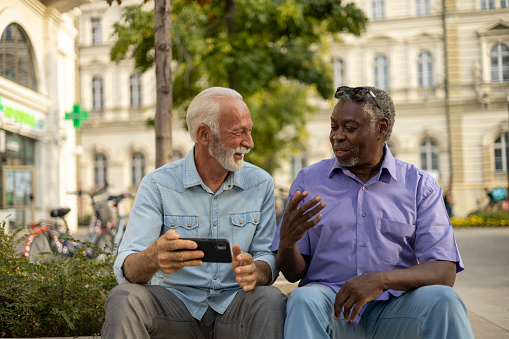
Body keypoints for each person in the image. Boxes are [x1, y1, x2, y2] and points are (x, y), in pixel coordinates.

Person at [272, 86, 474, 339]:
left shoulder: (419, 186)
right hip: (331, 308)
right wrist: (287, 243)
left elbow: (444, 271)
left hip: (396, 310)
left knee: (445, 299)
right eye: (334, 127)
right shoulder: (308, 181)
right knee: (303, 299)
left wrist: (381, 280)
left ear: (381, 128)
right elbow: (293, 273)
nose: (338, 136)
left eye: (350, 127)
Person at [102, 87, 286, 339]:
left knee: (270, 298)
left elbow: (267, 255)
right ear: (204, 134)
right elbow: (127, 268)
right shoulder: (157, 184)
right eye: (238, 132)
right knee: (124, 298)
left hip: (234, 305)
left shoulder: (260, 183)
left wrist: (258, 270)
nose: (249, 142)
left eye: (249, 130)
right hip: (174, 307)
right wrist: (153, 257)